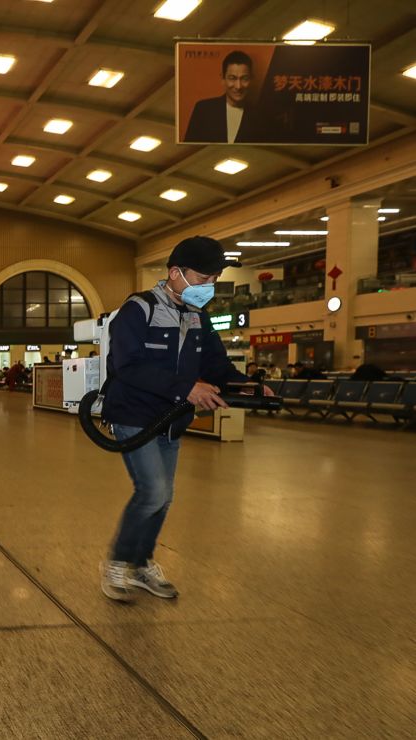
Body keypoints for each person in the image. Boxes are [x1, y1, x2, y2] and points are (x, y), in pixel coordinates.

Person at [99, 236, 273, 603]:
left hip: (172, 418)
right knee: (152, 491)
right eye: (202, 277)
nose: (208, 287)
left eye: (214, 279)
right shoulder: (139, 309)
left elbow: (217, 365)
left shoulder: (198, 316)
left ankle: (142, 564)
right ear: (175, 273)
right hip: (134, 414)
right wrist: (186, 388)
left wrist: (249, 386)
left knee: (164, 498)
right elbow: (126, 366)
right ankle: (117, 563)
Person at [183, 50, 261, 144]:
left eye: (244, 79)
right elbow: (189, 146)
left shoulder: (261, 116)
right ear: (223, 79)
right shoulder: (203, 109)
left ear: (251, 79)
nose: (238, 86)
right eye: (232, 78)